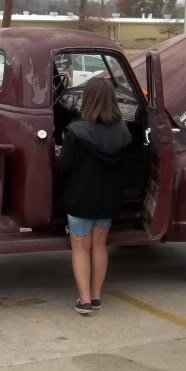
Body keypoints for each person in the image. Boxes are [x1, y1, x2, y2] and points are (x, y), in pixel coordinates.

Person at [56, 77, 132, 315]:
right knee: (100, 246)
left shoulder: (76, 131)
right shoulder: (124, 132)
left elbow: (64, 166)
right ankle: (97, 296)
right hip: (108, 199)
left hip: (80, 198)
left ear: (87, 99)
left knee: (80, 248)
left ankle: (84, 299)